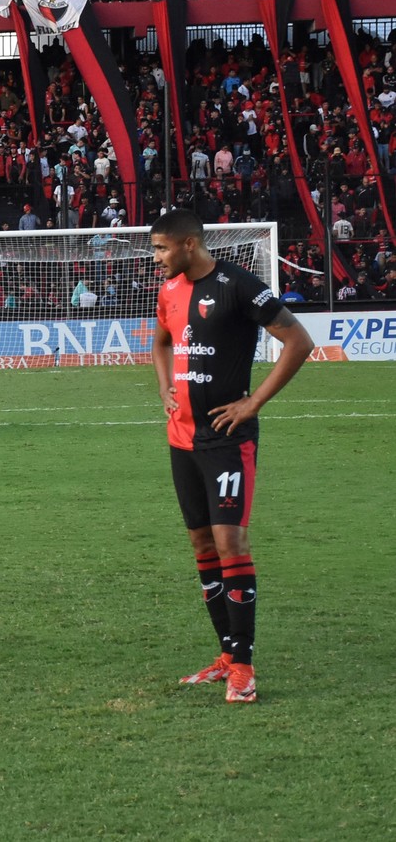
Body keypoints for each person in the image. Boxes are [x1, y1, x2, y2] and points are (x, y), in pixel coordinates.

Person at [151, 209, 312, 704]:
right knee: (202, 543)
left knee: (231, 543)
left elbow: (298, 341)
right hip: (182, 438)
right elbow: (161, 343)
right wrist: (165, 390)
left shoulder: (240, 286)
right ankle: (225, 654)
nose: (155, 258)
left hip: (227, 438)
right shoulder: (169, 291)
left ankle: (244, 667)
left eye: (161, 248)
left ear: (189, 245)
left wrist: (253, 401)